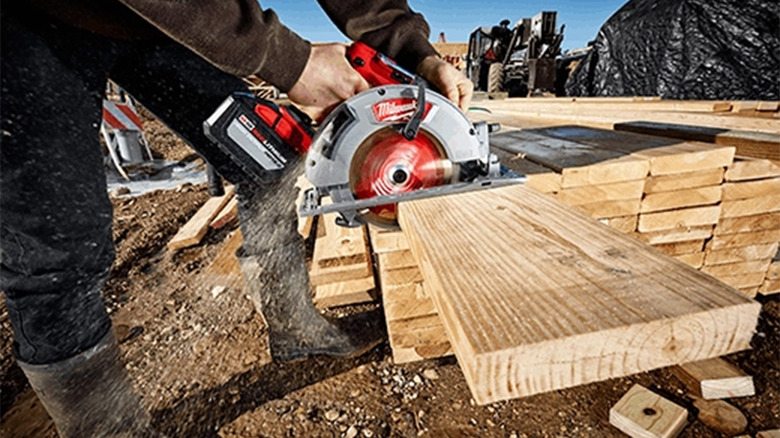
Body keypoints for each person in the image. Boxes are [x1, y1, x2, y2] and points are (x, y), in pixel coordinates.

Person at [0, 0, 473, 436]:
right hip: (31, 16)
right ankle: (110, 431)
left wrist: (414, 52)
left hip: (161, 20)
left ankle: (295, 329)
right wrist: (290, 60)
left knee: (267, 157)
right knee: (56, 248)